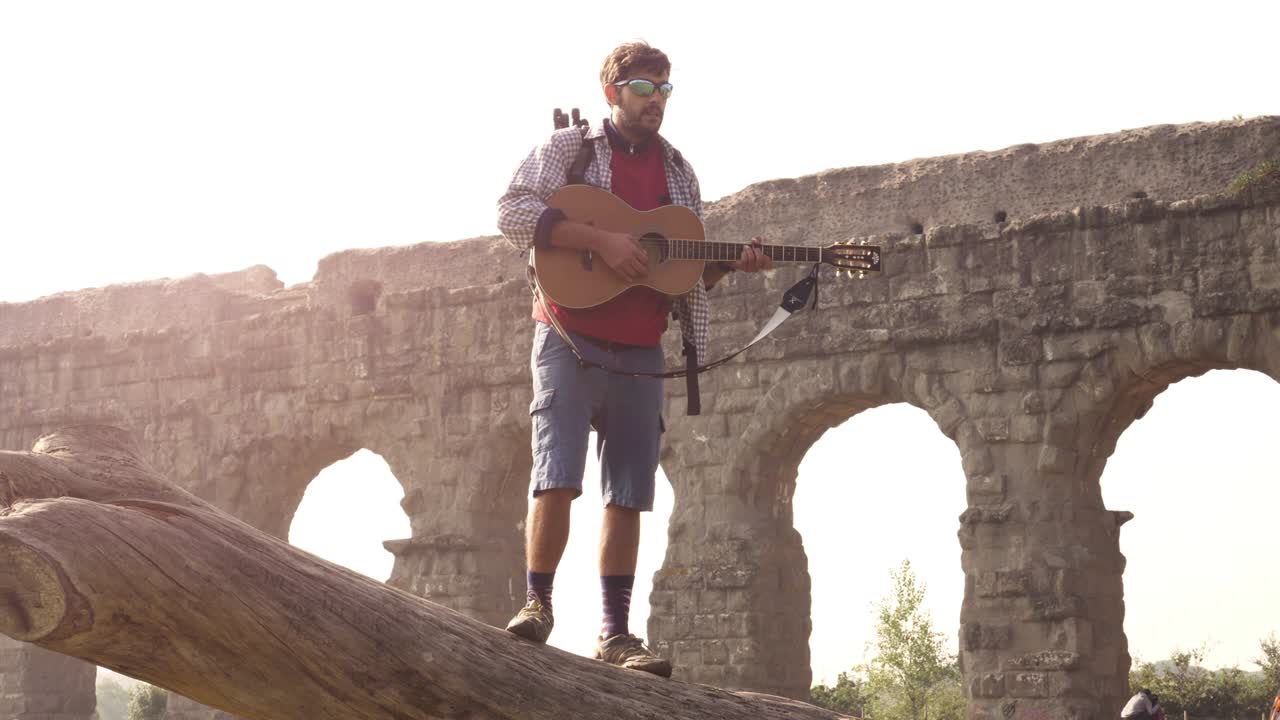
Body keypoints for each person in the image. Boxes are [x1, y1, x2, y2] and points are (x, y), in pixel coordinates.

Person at [495, 41, 772, 676]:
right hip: (568, 338)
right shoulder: (572, 150)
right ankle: (538, 604)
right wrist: (598, 239)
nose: (656, 102)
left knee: (628, 492)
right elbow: (512, 209)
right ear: (613, 93)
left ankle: (616, 635)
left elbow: (678, 279)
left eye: (665, 91)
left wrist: (731, 264)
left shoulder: (680, 172)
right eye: (645, 89)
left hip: (641, 348)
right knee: (557, 473)